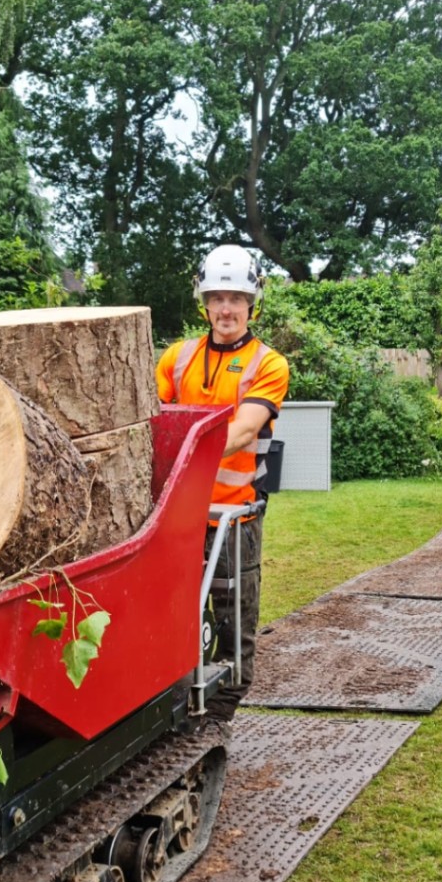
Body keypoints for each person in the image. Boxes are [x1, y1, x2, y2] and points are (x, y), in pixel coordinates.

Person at [155, 245, 290, 722]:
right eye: (217, 297)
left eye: (236, 297)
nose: (226, 309)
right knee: (170, 613)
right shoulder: (177, 358)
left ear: (253, 303)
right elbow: (152, 420)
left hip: (234, 518)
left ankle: (222, 714)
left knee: (233, 622)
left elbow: (247, 429)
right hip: (176, 517)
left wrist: (188, 456)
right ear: (204, 302)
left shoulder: (267, 364)